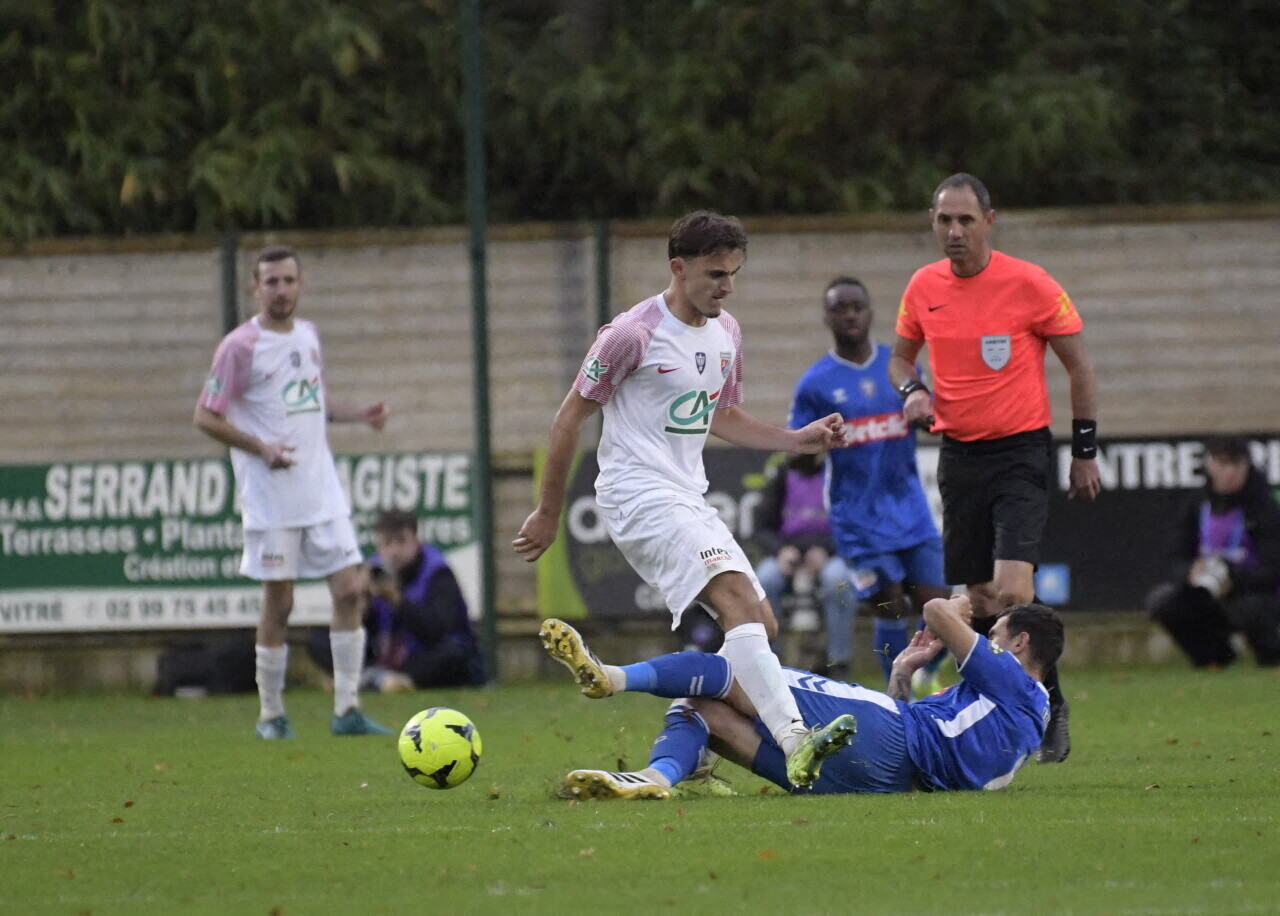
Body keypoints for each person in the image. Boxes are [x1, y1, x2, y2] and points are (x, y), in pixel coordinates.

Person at [513, 210, 851, 789]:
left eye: (734, 273)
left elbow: (722, 415)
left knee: (759, 628)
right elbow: (570, 417)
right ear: (679, 267)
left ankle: (681, 730)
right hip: (635, 494)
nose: (728, 286)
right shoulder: (631, 334)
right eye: (716, 274)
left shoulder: (728, 334)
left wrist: (796, 439)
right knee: (740, 601)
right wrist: (547, 510)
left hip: (686, 496)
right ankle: (796, 741)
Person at [889, 173, 1101, 762]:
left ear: (989, 220)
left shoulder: (1029, 283)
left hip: (1021, 451)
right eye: (942, 220)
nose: (953, 231)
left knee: (1013, 589)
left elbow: (1079, 366)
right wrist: (913, 389)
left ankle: (1049, 705)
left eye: (964, 220)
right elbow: (901, 356)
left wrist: (1084, 450)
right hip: (959, 456)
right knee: (979, 597)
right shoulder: (922, 286)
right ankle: (990, 709)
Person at [539, 593, 1060, 799]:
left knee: (736, 668)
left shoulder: (1016, 682)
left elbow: (934, 612)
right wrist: (902, 670)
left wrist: (958, 606)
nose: (989, 641)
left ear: (1022, 642)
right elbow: (934, 736)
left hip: (894, 741)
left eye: (998, 635)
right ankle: (656, 778)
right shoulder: (1019, 715)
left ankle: (610, 677)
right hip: (881, 781)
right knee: (703, 711)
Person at [194, 245, 392, 739]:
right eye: (271, 282)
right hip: (272, 497)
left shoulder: (308, 335)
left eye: (288, 280)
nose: (281, 290)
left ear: (300, 285)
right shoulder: (239, 347)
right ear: (254, 288)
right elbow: (205, 416)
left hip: (320, 488)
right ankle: (271, 716)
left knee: (350, 590)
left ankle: (347, 709)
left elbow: (307, 403)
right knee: (279, 605)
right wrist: (260, 448)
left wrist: (356, 414)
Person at [788, 276, 951, 686]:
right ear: (826, 316)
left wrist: (929, 414)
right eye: (839, 308)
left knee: (943, 609)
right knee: (890, 607)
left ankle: (921, 677)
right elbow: (798, 458)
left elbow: (934, 421)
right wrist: (814, 445)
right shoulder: (815, 383)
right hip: (858, 521)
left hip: (911, 512)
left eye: (856, 306)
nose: (849, 315)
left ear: (870, 312)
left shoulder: (898, 368)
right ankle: (898, 702)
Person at [307, 510, 487, 691]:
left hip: (421, 656)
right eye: (387, 543)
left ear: (416, 541)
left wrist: (396, 600)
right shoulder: (373, 571)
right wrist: (361, 602)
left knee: (455, 651)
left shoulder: (438, 573)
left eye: (401, 541)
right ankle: (371, 678)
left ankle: (388, 680)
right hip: (382, 657)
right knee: (320, 639)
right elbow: (361, 630)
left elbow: (439, 630)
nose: (394, 551)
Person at [1148, 437, 1280, 668]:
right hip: (1207, 588)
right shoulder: (1197, 504)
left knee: (1253, 609)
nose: (1226, 473)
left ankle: (1270, 658)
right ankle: (1213, 658)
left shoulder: (1265, 507)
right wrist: (1190, 572)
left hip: (1255, 591)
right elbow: (1176, 554)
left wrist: (1234, 577)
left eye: (1232, 465)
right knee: (1164, 602)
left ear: (1245, 466)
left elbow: (1273, 568)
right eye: (1220, 464)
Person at [750, 451, 843, 660]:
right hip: (787, 553)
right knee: (765, 579)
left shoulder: (836, 477)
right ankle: (770, 657)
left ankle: (838, 659)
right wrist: (780, 551)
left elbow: (852, 525)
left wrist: (827, 550)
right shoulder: (781, 477)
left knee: (838, 581)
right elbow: (761, 527)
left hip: (829, 554)